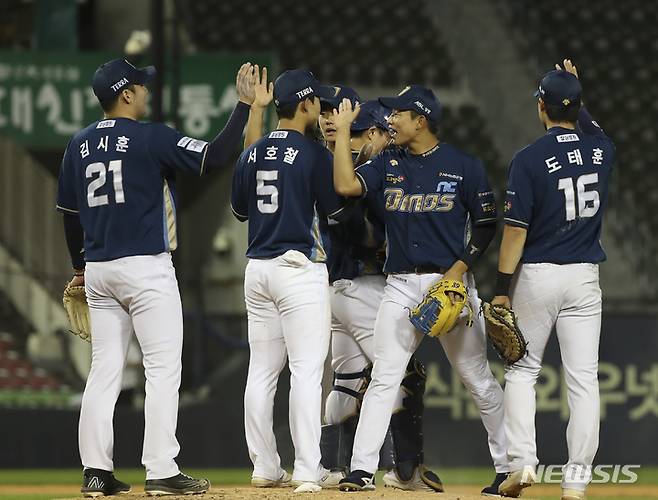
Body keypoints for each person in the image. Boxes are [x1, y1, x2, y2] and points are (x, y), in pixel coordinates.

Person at [56, 58, 257, 496]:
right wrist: (243, 106)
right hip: (145, 268)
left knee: (104, 370)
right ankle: (162, 469)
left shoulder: (79, 144)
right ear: (125, 94)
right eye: (141, 86)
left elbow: (71, 216)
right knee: (163, 368)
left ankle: (95, 472)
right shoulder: (150, 137)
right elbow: (217, 156)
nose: (146, 91)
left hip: (100, 270)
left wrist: (79, 266)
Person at [331, 85, 510, 493]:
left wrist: (459, 271)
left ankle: (509, 465)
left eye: (399, 114)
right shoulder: (387, 163)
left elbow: (486, 223)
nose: (390, 120)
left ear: (421, 120)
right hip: (400, 285)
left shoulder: (463, 166)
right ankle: (361, 471)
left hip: (451, 286)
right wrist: (343, 133)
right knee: (385, 377)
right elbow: (344, 185)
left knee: (477, 378)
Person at [494, 60, 615, 500]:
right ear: (579, 107)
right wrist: (576, 95)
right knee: (583, 381)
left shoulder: (528, 159)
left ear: (540, 107)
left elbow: (515, 231)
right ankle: (577, 483)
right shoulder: (603, 149)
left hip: (539, 274)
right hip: (584, 276)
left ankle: (523, 462)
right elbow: (592, 131)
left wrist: (501, 287)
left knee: (523, 371)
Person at [231, 69, 349, 494]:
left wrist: (255, 116)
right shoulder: (315, 154)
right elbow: (337, 208)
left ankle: (264, 466)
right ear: (305, 105)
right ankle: (306, 470)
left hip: (257, 270)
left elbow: (241, 210)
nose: (321, 106)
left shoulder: (253, 151)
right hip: (298, 269)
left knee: (261, 372)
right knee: (304, 373)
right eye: (317, 100)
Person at [318, 94, 444, 492]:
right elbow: (365, 232)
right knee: (402, 374)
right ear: (373, 132)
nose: (388, 136)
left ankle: (328, 466)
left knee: (349, 381)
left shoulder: (333, 162)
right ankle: (407, 470)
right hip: (364, 286)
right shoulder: (365, 171)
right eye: (381, 130)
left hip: (336, 287)